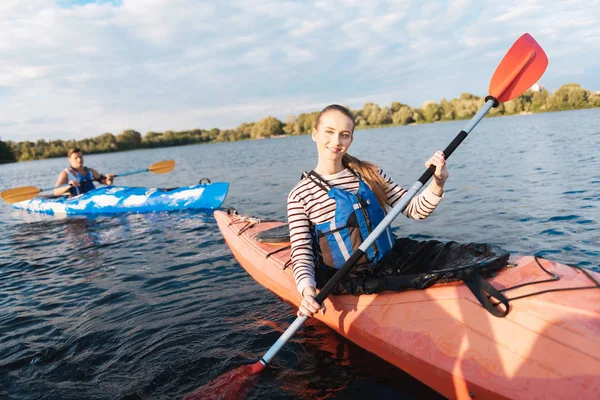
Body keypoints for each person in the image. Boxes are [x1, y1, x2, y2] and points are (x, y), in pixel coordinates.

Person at [287, 104, 450, 318]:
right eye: (329, 132)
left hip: (392, 264)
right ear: (315, 134)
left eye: (344, 135)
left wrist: (438, 181)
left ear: (351, 140)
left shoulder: (371, 174)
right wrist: (307, 292)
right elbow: (301, 253)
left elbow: (416, 210)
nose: (336, 142)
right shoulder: (300, 195)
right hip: (348, 279)